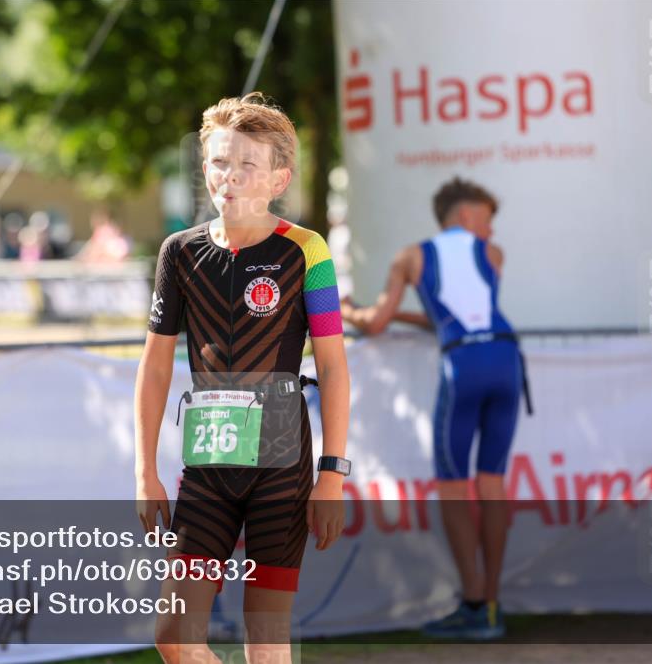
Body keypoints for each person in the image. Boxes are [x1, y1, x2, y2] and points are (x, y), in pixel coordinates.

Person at [134, 93, 351, 663]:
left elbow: (332, 366)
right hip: (206, 466)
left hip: (282, 468)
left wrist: (332, 475)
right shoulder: (178, 252)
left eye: (246, 165)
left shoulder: (309, 251)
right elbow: (155, 366)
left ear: (278, 179)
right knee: (174, 636)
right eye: (218, 162)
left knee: (267, 644)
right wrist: (144, 471)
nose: (228, 177)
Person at [341, 177, 530, 640]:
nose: (491, 231)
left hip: (465, 365)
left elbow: (377, 324)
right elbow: (466, 312)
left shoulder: (410, 257)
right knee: (491, 482)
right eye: (487, 219)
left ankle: (472, 605)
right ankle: (491, 604)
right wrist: (411, 315)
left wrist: (348, 311)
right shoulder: (493, 256)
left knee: (452, 485)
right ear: (465, 215)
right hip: (507, 359)